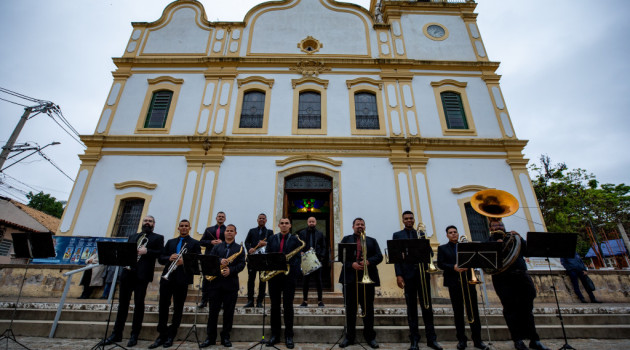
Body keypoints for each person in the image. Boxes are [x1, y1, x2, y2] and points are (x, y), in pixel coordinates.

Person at [102, 215, 164, 347]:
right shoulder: (133, 237)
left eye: (150, 221)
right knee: (122, 305)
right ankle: (116, 334)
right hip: (127, 273)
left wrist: (147, 251)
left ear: (154, 224)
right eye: (146, 221)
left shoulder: (157, 238)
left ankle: (134, 335)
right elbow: (126, 252)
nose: (147, 223)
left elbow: (160, 253)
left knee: (139, 305)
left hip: (142, 275)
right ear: (142, 223)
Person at [488, 219, 550, 350]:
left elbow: (528, 252)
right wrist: (496, 246)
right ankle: (518, 340)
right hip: (502, 278)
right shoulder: (488, 242)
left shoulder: (514, 238)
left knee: (527, 308)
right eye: (495, 225)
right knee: (509, 309)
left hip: (521, 275)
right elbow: (487, 264)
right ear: (490, 228)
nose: (498, 227)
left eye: (500, 225)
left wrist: (521, 238)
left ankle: (534, 339)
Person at [392, 211, 442, 350]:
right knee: (411, 308)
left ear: (414, 220)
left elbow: (430, 254)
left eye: (411, 218)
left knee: (427, 307)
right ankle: (414, 340)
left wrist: (425, 245)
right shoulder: (398, 235)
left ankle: (432, 339)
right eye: (406, 218)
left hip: (423, 274)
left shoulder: (421, 235)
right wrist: (399, 275)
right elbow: (396, 258)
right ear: (402, 220)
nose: (409, 220)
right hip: (408, 275)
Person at [149, 219, 201, 349]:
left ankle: (171, 334)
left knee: (178, 307)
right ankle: (161, 334)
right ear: (178, 228)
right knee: (163, 305)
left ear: (189, 228)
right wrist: (169, 258)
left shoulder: (194, 243)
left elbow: (197, 261)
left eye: (186, 226)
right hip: (167, 277)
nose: (183, 228)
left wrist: (185, 261)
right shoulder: (171, 242)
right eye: (181, 226)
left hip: (182, 278)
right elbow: (161, 259)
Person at [437, 225, 489, 350]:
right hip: (454, 283)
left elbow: (476, 259)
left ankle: (478, 340)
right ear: (447, 235)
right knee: (458, 313)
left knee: (474, 312)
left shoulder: (467, 247)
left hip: (468, 282)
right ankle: (462, 340)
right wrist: (453, 267)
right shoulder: (442, 248)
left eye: (455, 232)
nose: (453, 234)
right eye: (450, 232)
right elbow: (440, 264)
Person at [339, 218, 382, 349]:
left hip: (367, 279)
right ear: (353, 227)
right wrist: (351, 264)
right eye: (357, 224)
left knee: (368, 309)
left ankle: (370, 337)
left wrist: (368, 261)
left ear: (365, 227)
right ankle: (349, 337)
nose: (360, 226)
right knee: (350, 310)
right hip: (350, 278)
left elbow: (379, 256)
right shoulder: (346, 239)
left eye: (362, 224)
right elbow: (341, 256)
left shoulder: (372, 241)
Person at [201, 224, 246, 348]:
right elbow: (211, 260)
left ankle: (225, 337)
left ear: (235, 233)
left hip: (231, 285)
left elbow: (242, 264)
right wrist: (220, 260)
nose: (229, 233)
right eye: (227, 231)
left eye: (232, 231)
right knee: (213, 313)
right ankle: (210, 337)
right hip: (215, 284)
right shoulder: (216, 247)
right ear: (224, 233)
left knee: (228, 313)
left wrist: (231, 270)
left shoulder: (240, 248)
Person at [265, 217, 302, 349]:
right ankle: (274, 335)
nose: (284, 225)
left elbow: (298, 259)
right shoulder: (271, 239)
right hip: (274, 277)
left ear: (290, 225)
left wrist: (288, 265)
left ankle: (289, 335)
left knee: (288, 306)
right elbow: (268, 255)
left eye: (287, 223)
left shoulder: (295, 240)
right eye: (282, 223)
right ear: (279, 225)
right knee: (274, 306)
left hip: (288, 277)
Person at [243, 213, 273, 308]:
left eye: (263, 218)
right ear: (257, 220)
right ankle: (250, 300)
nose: (261, 220)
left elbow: (272, 243)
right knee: (251, 280)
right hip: (252, 258)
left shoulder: (270, 232)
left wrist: (266, 243)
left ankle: (260, 301)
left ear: (266, 220)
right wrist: (249, 249)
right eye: (260, 218)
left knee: (262, 280)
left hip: (263, 259)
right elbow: (246, 242)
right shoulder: (252, 231)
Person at [198, 211, 227, 308]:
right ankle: (204, 300)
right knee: (206, 280)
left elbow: (230, 242)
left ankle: (222, 301)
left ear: (225, 219)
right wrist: (211, 242)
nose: (221, 218)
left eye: (222, 217)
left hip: (222, 257)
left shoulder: (227, 230)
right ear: (216, 218)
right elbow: (201, 242)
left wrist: (222, 242)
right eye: (219, 216)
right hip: (209, 257)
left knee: (221, 279)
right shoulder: (209, 229)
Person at [298, 216, 326, 308]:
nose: (311, 223)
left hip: (316, 260)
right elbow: (298, 245)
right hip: (306, 260)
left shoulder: (320, 234)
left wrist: (321, 257)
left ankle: (320, 301)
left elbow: (324, 247)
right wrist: (300, 252)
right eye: (310, 221)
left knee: (319, 281)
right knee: (305, 281)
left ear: (316, 222)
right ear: (307, 222)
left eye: (313, 221)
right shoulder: (302, 233)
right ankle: (305, 301)